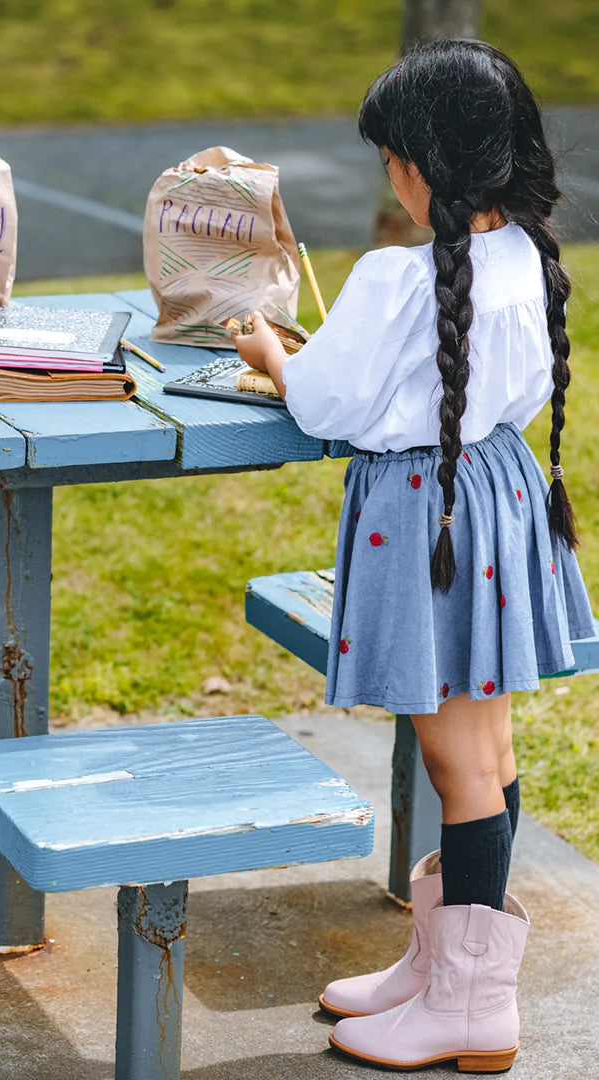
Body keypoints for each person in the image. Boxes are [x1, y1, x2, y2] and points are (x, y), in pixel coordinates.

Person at [232, 40, 591, 1074]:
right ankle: (441, 966)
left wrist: (271, 357)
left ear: (421, 163)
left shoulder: (399, 277)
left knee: (457, 760)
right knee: (491, 750)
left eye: (391, 151)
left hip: (428, 516)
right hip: (496, 491)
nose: (386, 167)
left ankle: (472, 1006)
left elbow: (329, 403)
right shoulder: (524, 252)